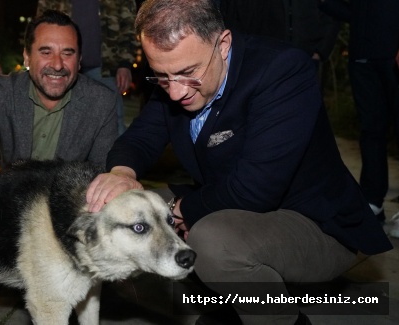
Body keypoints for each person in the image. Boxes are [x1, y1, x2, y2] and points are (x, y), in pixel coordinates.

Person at [85, 0, 393, 324]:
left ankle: (282, 318)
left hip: (318, 222)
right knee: (122, 207)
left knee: (212, 241)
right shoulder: (176, 78)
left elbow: (253, 190)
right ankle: (229, 304)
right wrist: (121, 174)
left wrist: (179, 208)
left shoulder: (283, 71)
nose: (174, 92)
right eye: (161, 77)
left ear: (223, 44)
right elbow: (139, 139)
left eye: (188, 73)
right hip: (230, 201)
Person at [0, 9, 117, 182]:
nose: (58, 65)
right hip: (8, 198)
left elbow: (103, 170)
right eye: (46, 52)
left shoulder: (102, 102)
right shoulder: (3, 90)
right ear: (27, 57)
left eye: (68, 53)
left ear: (79, 60)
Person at [319, 0, 399, 224]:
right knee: (371, 130)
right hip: (363, 55)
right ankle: (373, 201)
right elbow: (355, 11)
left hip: (393, 54)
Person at [36, 0, 139, 136]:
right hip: (61, 69)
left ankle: (116, 158)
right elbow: (40, 26)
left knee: (112, 126)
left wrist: (125, 64)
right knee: (61, 127)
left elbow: (129, 25)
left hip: (104, 70)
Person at [219, 0, 341, 72]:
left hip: (307, 57)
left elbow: (332, 11)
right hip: (264, 60)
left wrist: (321, 51)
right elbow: (233, 15)